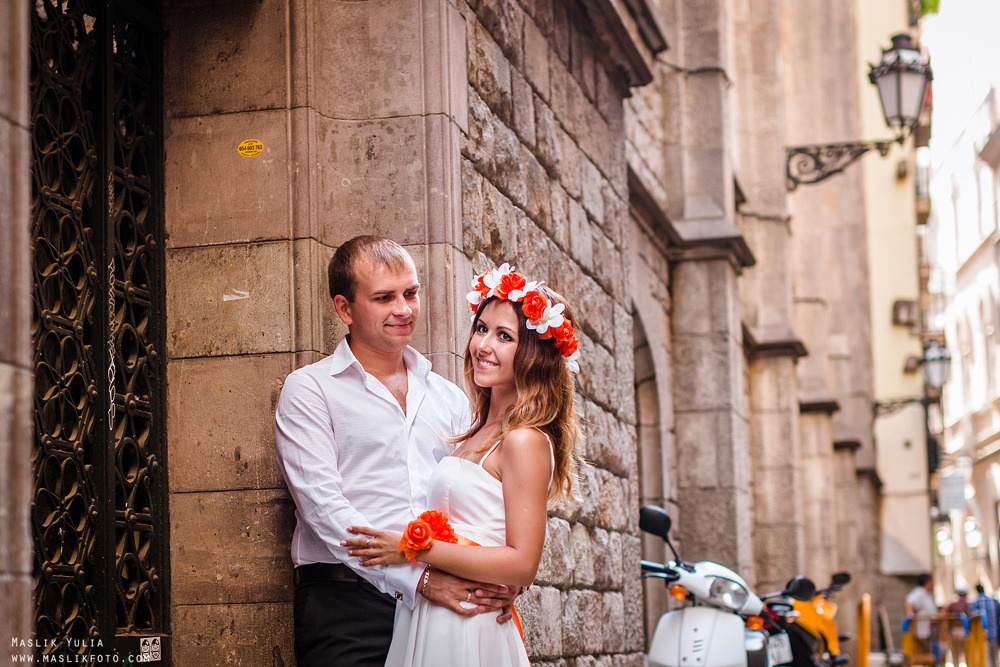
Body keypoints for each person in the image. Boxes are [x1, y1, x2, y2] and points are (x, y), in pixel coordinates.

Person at [275, 237, 519, 666]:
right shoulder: (310, 390)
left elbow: (480, 496)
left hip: (446, 603)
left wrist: (503, 575)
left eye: (411, 292)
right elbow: (324, 509)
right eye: (384, 297)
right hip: (348, 605)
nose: (404, 309)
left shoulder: (450, 398)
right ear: (345, 309)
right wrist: (419, 578)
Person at [343, 262, 583, 666]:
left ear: (534, 355)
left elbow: (522, 563)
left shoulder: (524, 440)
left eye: (504, 336)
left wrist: (413, 551)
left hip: (470, 623)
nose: (483, 345)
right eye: (482, 328)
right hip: (433, 612)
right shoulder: (472, 431)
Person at [970, 584, 1000, 667]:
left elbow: (972, 617)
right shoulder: (994, 601)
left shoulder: (976, 603)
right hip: (995, 633)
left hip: (983, 634)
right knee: (995, 657)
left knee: (987, 657)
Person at [905, 573, 938, 641]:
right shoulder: (919, 592)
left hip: (929, 629)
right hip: (923, 629)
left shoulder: (927, 594)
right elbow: (909, 601)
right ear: (928, 582)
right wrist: (910, 615)